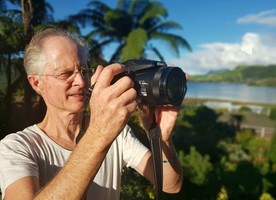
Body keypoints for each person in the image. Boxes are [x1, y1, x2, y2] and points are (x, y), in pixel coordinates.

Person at [0, 28, 183, 200]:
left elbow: (171, 185)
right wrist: (100, 132)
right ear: (36, 83)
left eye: (84, 71)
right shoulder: (17, 147)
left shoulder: (118, 134)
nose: (80, 81)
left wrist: (163, 137)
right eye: (65, 74)